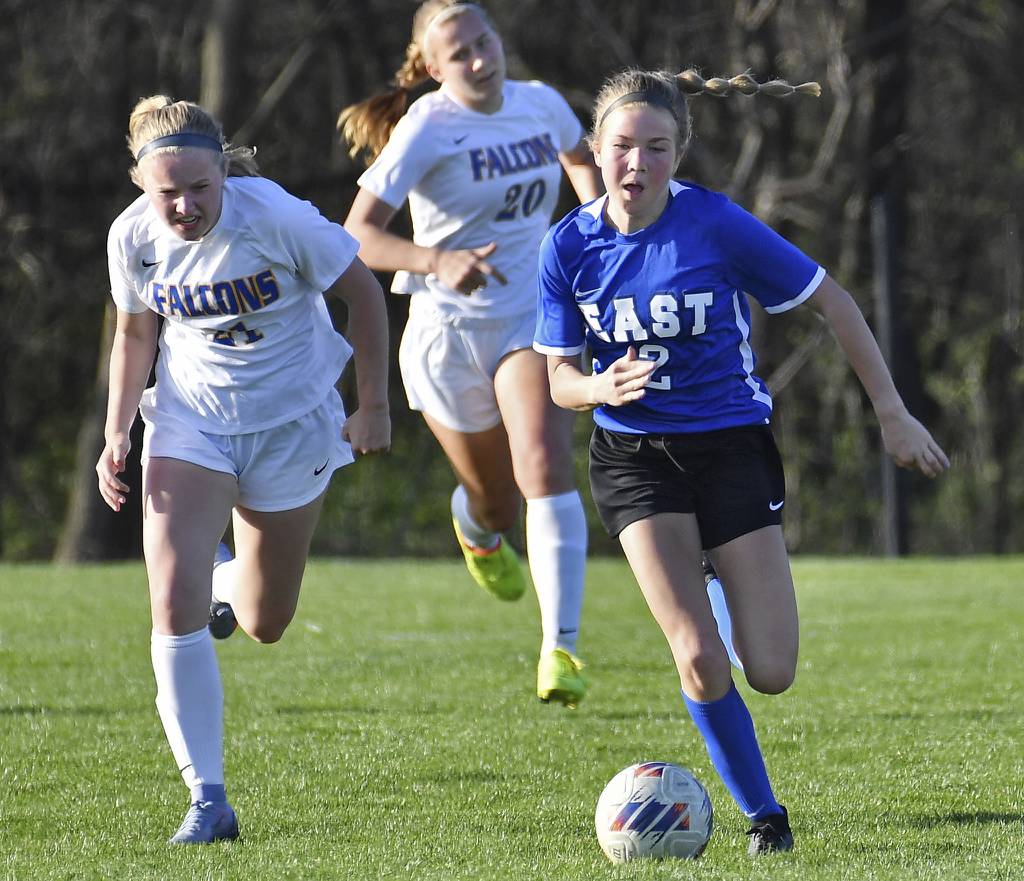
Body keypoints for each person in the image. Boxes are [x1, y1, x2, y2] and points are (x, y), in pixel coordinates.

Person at [534, 68, 949, 855]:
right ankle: (767, 817)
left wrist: (892, 413)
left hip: (730, 447)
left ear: (679, 153)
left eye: (657, 147)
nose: (637, 163)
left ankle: (718, 571)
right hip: (634, 458)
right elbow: (556, 378)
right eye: (622, 145)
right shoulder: (570, 247)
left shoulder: (716, 226)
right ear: (596, 148)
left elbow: (834, 300)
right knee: (695, 653)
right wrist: (597, 383)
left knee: (771, 669)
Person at [96, 95, 390, 844]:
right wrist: (116, 428)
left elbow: (363, 293)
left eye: (202, 188)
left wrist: (375, 406)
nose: (187, 206)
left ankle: (223, 578)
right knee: (170, 600)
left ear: (223, 172)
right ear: (139, 182)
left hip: (291, 424)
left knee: (265, 620)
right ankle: (208, 797)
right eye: (170, 194)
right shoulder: (131, 237)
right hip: (190, 423)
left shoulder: (275, 218)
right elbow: (135, 331)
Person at [338, 0, 603, 707]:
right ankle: (478, 527)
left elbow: (579, 156)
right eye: (461, 55)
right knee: (496, 500)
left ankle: (562, 648)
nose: (481, 60)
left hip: (527, 317)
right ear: (432, 67)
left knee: (542, 466)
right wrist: (434, 260)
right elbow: (357, 234)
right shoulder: (428, 126)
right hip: (447, 334)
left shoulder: (541, 103)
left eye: (485, 41)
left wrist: (599, 228)